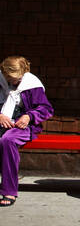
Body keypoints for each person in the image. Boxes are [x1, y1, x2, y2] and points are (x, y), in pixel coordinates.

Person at [0, 56, 54, 206]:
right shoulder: (2, 81)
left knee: (7, 140)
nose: (12, 82)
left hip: (23, 124)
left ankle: (9, 191)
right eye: (9, 78)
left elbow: (46, 109)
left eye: (15, 79)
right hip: (2, 120)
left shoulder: (32, 85)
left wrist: (29, 116)